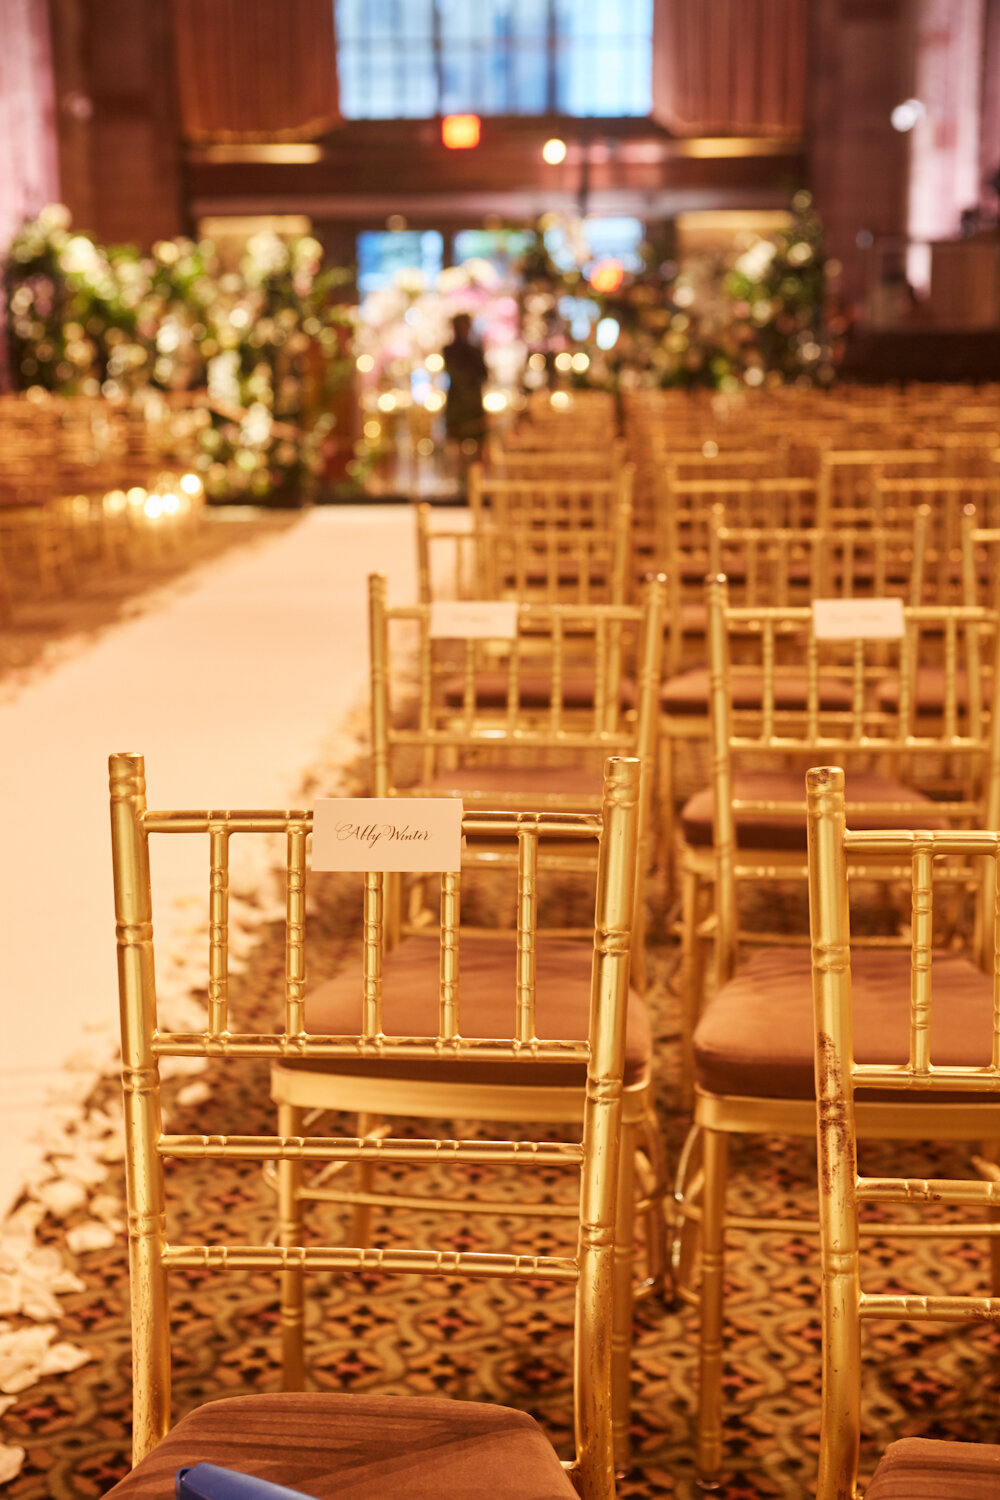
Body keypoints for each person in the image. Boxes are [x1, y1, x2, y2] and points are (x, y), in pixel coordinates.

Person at [442, 313, 488, 458]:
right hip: (460, 404)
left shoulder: (473, 349)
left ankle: (475, 476)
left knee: (477, 446)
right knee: (457, 449)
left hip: (469, 404)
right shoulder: (451, 350)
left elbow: (484, 375)